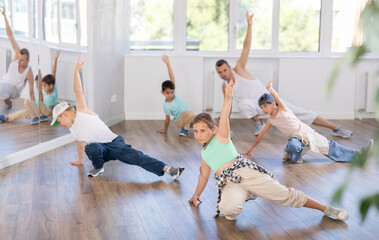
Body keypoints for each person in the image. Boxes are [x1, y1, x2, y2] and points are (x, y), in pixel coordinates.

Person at [188, 78, 349, 221]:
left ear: (213, 129)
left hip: (246, 172)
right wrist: (196, 195)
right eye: (196, 131)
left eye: (203, 130)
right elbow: (203, 175)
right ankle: (244, 192)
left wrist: (228, 98)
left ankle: (326, 208)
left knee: (285, 195)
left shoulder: (221, 137)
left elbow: (224, 117)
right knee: (227, 211)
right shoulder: (204, 153)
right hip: (230, 182)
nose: (199, 135)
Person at [215, 11, 352, 138]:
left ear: (230, 68)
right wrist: (224, 124)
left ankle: (336, 128)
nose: (223, 74)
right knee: (243, 104)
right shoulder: (225, 86)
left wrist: (249, 25)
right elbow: (228, 105)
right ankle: (258, 124)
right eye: (219, 72)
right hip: (257, 107)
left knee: (302, 113)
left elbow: (246, 47)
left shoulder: (239, 69)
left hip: (271, 102)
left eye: (224, 70)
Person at [51, 56, 185, 179]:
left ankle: (169, 170)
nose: (61, 124)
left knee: (137, 157)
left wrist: (76, 71)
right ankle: (98, 168)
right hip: (100, 149)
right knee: (91, 148)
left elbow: (77, 91)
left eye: (59, 120)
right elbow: (80, 143)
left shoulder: (82, 111)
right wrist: (80, 160)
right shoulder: (72, 129)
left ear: (65, 113)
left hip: (114, 143)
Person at [243, 80, 373, 164]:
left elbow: (277, 98)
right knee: (293, 153)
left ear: (272, 104)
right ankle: (297, 152)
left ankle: (359, 155)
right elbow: (261, 135)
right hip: (294, 137)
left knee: (329, 146)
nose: (263, 110)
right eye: (261, 108)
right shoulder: (271, 120)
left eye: (265, 106)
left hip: (305, 131)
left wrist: (270, 90)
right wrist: (253, 147)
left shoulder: (283, 109)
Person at [0, 51, 60, 124]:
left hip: (45, 112)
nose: (42, 87)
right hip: (40, 110)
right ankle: (5, 117)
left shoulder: (48, 96)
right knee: (23, 112)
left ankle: (35, 117)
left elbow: (52, 110)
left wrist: (57, 119)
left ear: (51, 86)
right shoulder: (52, 89)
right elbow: (54, 72)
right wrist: (56, 58)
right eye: (41, 85)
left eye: (43, 86)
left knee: (27, 102)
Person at [0, 6, 34, 110]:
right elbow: (10, 35)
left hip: (15, 90)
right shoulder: (17, 55)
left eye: (22, 60)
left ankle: (8, 105)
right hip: (5, 82)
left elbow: (31, 92)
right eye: (19, 58)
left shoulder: (29, 72)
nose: (19, 61)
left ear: (28, 61)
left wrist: (35, 110)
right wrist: (5, 16)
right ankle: (8, 105)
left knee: (1, 88)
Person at [156, 55, 195, 136]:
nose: (170, 95)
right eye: (167, 93)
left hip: (187, 115)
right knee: (191, 114)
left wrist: (168, 64)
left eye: (172, 92)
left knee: (198, 119)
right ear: (162, 92)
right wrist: (164, 130)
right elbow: (167, 119)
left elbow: (172, 77)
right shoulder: (166, 106)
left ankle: (191, 128)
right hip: (179, 121)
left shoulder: (175, 95)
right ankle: (184, 129)